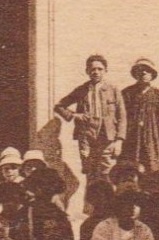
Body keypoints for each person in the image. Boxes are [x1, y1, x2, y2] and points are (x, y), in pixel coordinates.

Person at [53, 55, 126, 183]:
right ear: (87, 71)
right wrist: (75, 115)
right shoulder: (81, 90)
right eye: (93, 69)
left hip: (107, 137)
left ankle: (109, 202)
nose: (96, 72)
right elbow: (59, 106)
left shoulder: (113, 89)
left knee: (107, 173)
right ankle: (92, 202)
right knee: (90, 173)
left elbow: (122, 116)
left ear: (105, 71)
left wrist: (119, 140)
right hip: (87, 136)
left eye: (100, 69)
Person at [121, 58, 159, 178]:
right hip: (132, 138)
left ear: (152, 74)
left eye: (147, 71)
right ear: (136, 74)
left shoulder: (158, 94)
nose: (143, 73)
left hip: (153, 138)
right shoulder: (127, 93)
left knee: (153, 170)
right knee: (132, 170)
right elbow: (121, 117)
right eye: (140, 70)